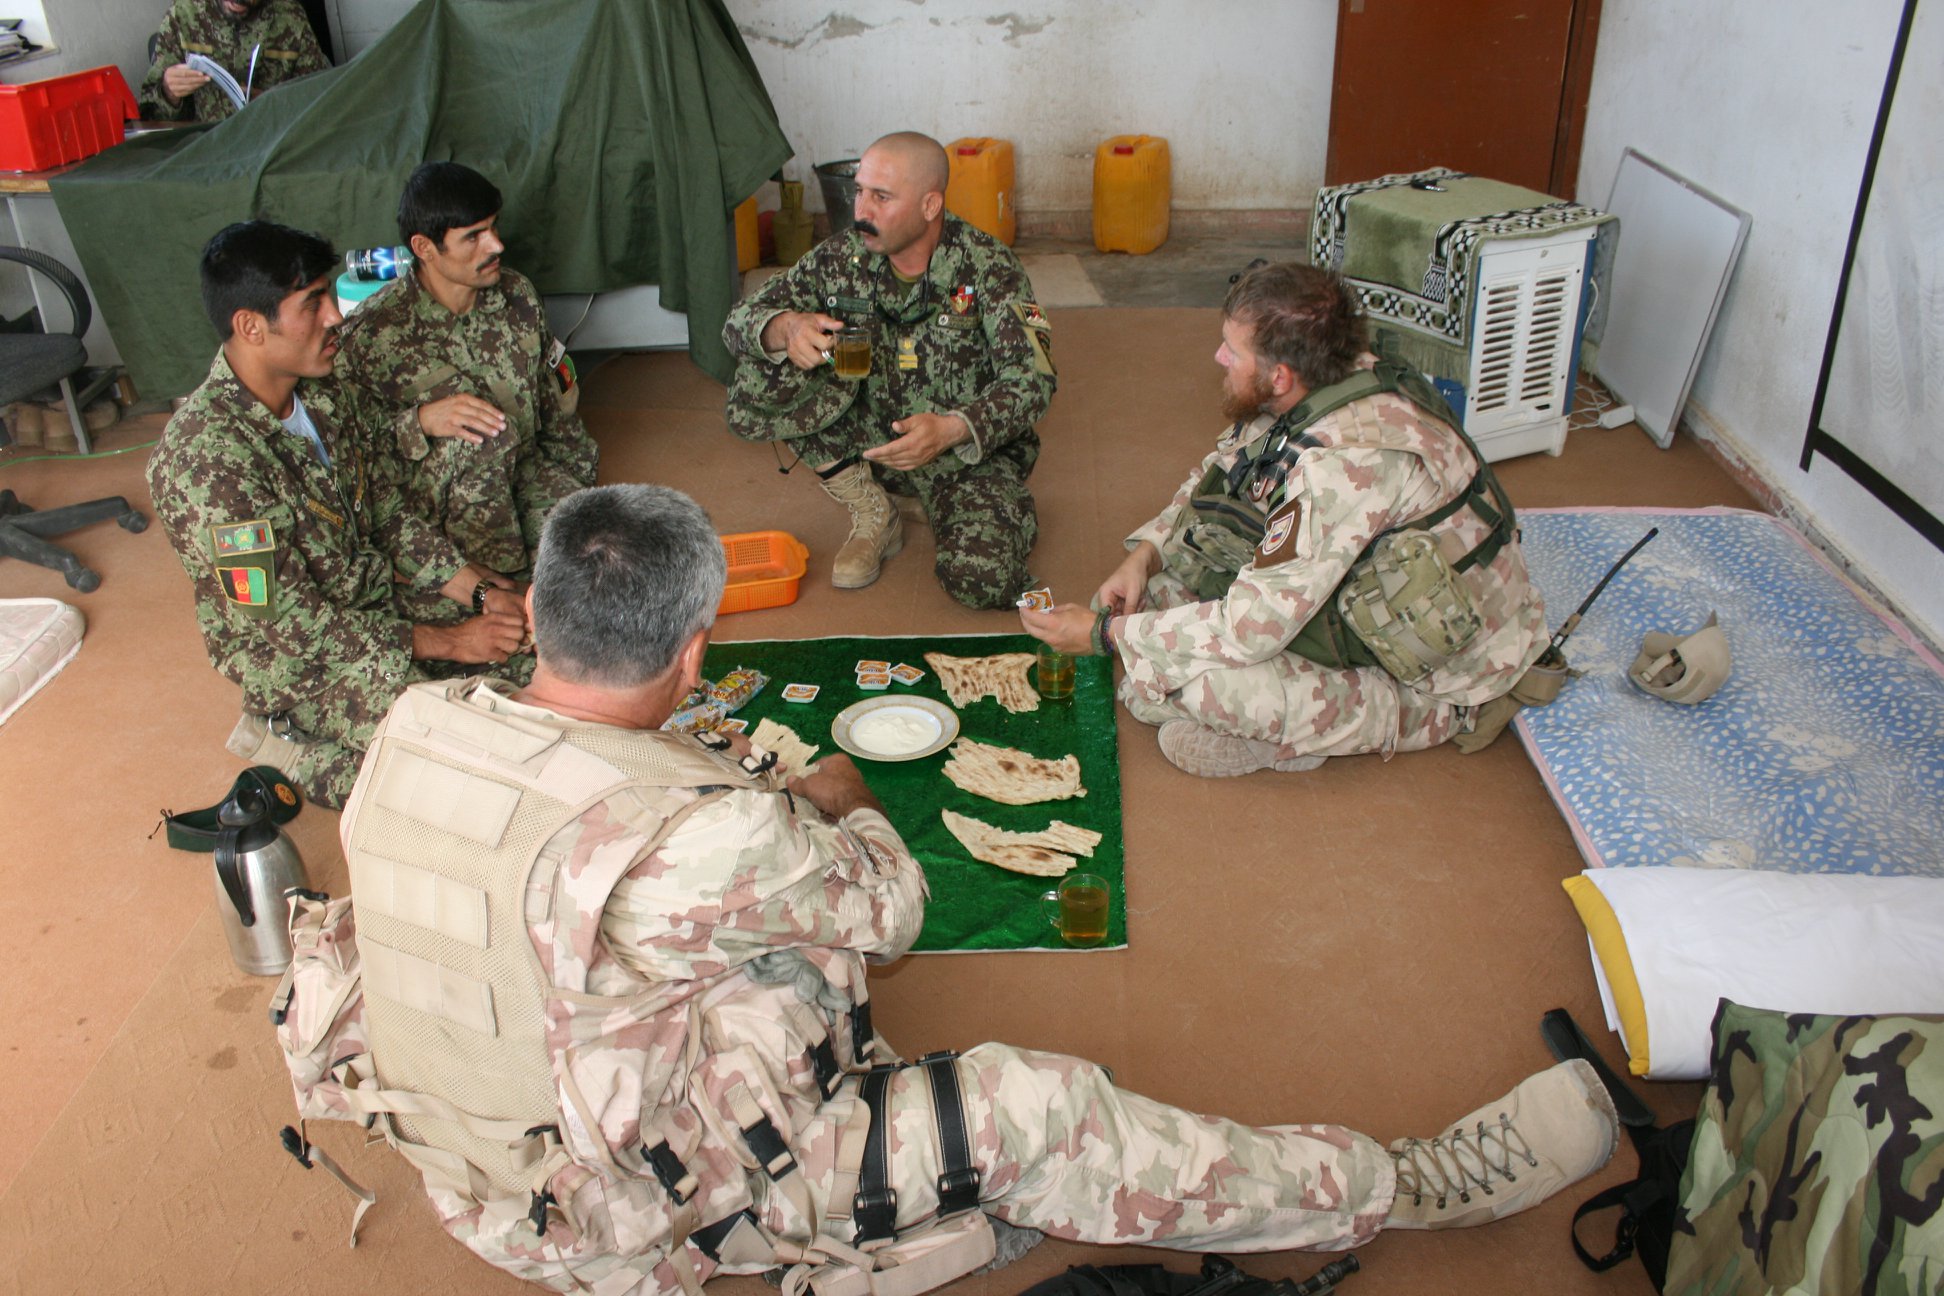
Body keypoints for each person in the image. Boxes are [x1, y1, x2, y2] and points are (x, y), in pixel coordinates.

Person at [327, 482, 1616, 1293]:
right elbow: (892, 910)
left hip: (476, 1167)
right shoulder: (710, 839)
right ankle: (1391, 1187)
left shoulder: (414, 724)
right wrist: (843, 803)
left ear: (539, 607)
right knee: (1036, 1109)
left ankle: (885, 1220)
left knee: (763, 960)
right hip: (612, 1215)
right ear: (696, 649)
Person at [1021, 262, 1548, 778]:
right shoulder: (1319, 376)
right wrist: (1146, 555)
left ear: (1279, 377)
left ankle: (1413, 717)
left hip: (1442, 668)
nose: (1219, 357)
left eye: (1233, 352)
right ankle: (1263, 711)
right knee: (1151, 601)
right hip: (1356, 599)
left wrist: (1106, 636)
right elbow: (1218, 474)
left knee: (1197, 686)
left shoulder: (1343, 466)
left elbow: (1250, 629)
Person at [148, 220, 530, 810]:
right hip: (301, 662)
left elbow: (386, 515)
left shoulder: (324, 394)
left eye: (329, 295)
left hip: (373, 602)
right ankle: (295, 748)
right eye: (312, 303)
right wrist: (453, 643)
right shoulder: (206, 461)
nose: (335, 317)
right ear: (251, 326)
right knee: (462, 762)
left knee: (538, 653)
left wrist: (480, 594)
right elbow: (293, 623)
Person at [721, 132, 1055, 609]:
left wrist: (952, 429)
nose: (861, 211)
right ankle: (874, 506)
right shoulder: (841, 257)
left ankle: (969, 507)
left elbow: (1034, 379)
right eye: (859, 191)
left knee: (981, 580)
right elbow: (739, 321)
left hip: (962, 456)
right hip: (868, 442)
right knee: (765, 364)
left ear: (929, 205)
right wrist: (786, 327)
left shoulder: (989, 267)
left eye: (881, 197)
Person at [336, 161, 599, 579]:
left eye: (493, 227)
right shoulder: (373, 335)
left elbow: (556, 406)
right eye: (473, 236)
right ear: (424, 247)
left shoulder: (517, 296)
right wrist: (420, 421)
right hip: (434, 507)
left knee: (596, 551)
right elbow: (345, 451)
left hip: (524, 474)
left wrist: (578, 487)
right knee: (506, 593)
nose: (495, 245)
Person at [138, 0, 329, 124]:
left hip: (272, 145)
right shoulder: (183, 14)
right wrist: (169, 93)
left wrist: (273, 102)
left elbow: (322, 100)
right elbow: (148, 118)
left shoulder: (290, 17)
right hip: (205, 149)